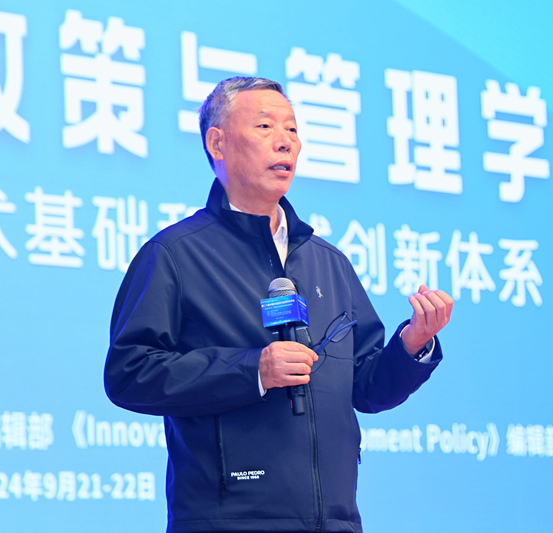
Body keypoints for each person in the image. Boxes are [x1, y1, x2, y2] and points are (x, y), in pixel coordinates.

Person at [103, 76, 453, 533]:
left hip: (335, 523)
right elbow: (129, 373)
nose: (285, 141)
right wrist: (253, 370)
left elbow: (367, 388)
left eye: (292, 129)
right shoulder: (174, 254)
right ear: (218, 143)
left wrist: (412, 345)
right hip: (229, 522)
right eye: (265, 126)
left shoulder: (329, 262)